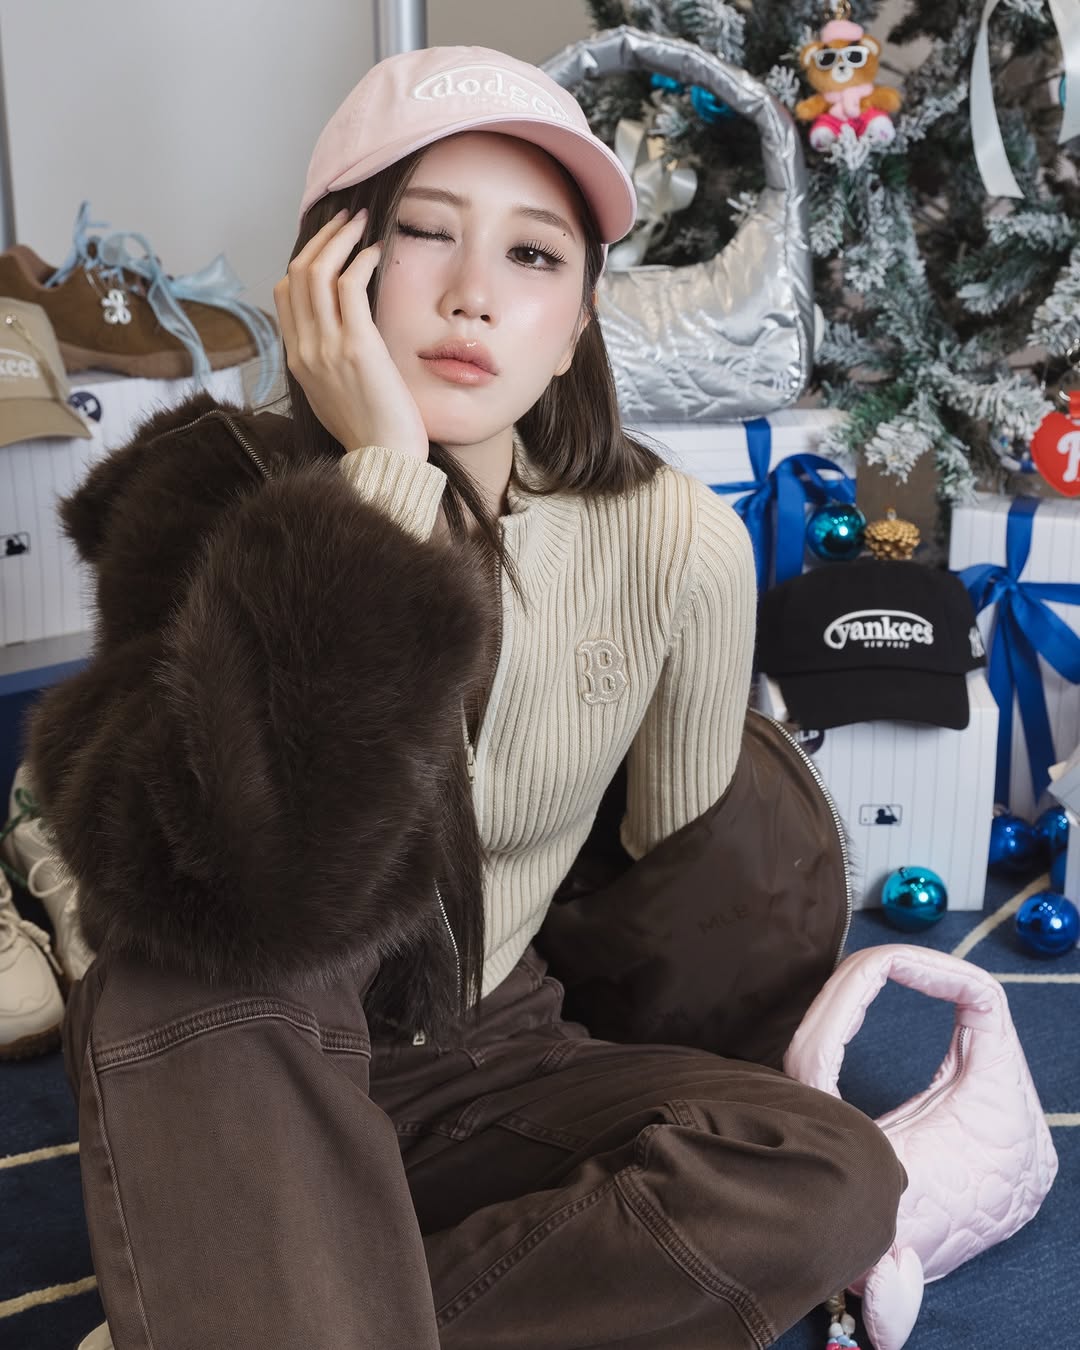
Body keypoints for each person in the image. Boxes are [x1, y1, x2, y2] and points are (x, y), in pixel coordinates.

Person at [34, 45, 906, 1350]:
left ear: (578, 325)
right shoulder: (207, 488)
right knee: (188, 980)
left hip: (486, 1044)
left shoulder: (674, 541)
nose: (471, 296)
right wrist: (383, 481)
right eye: (423, 233)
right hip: (243, 1040)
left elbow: (669, 897)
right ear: (326, 276)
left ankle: (271, 1303)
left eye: (533, 255)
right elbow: (235, 885)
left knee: (829, 1173)